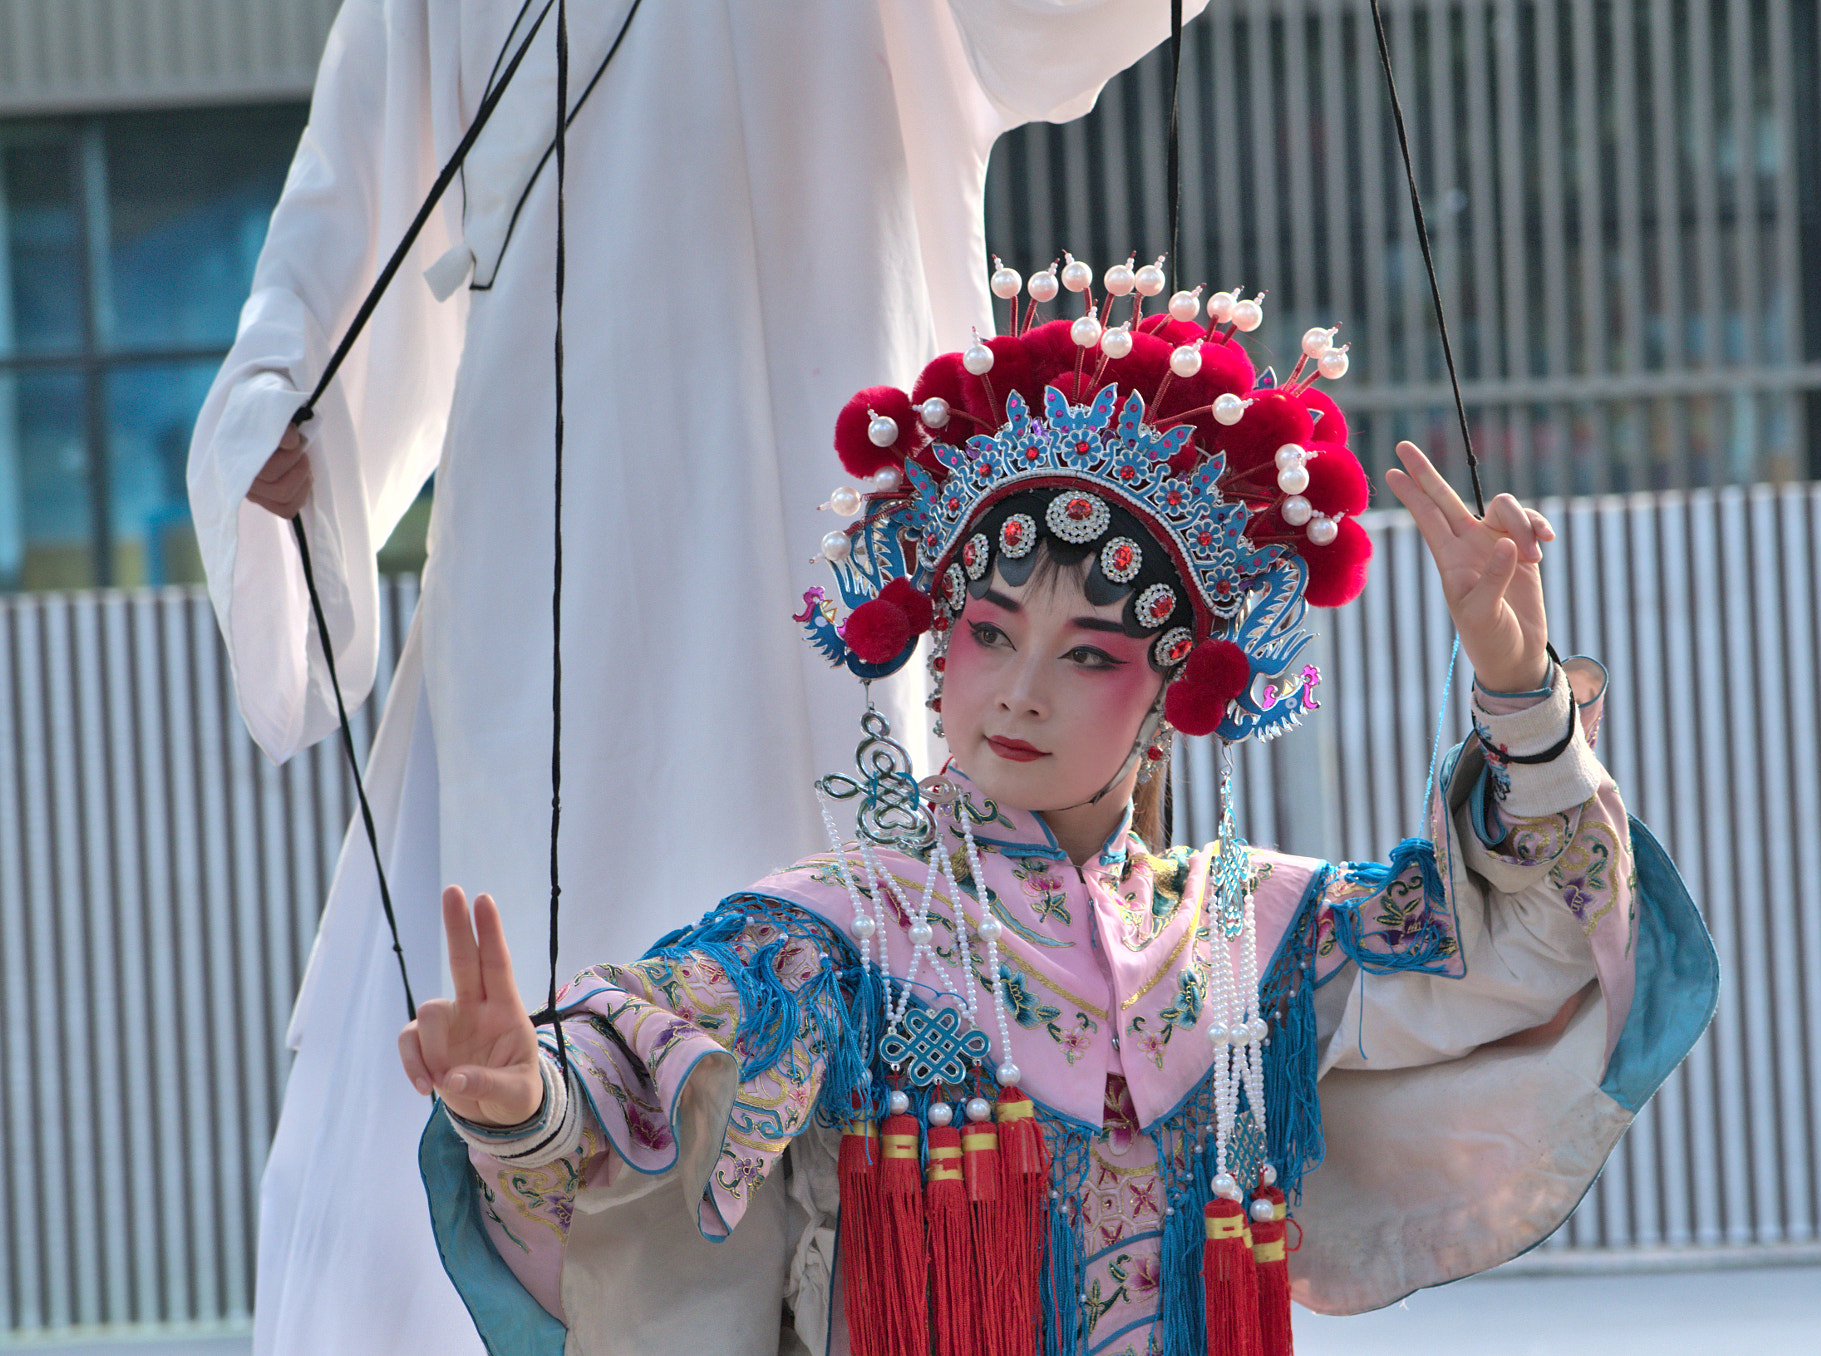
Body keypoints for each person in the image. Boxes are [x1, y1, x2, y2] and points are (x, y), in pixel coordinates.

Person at [396, 267, 1718, 1355]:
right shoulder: (828, 941)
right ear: (938, 646)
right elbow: (631, 1123)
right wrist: (519, 1104)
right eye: (987, 631)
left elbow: (1554, 951)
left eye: (1090, 652)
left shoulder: (1247, 931)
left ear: (1169, 701)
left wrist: (1516, 691)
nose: (1020, 691)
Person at [185, 4, 1202, 1352]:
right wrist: (277, 405)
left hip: (854, 559)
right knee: (537, 995)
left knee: (888, 1036)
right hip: (562, 583)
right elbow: (339, 231)